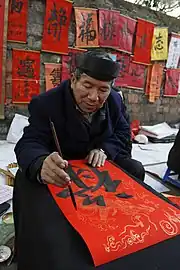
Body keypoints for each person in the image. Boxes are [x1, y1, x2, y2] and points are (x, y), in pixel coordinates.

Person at [13, 51, 149, 270]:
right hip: (64, 169)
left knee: (135, 169)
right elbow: (29, 141)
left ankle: (119, 235)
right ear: (73, 79)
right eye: (87, 86)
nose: (94, 97)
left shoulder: (114, 100)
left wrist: (105, 149)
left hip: (98, 166)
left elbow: (123, 133)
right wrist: (41, 161)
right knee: (28, 180)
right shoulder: (47, 103)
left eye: (103, 89)